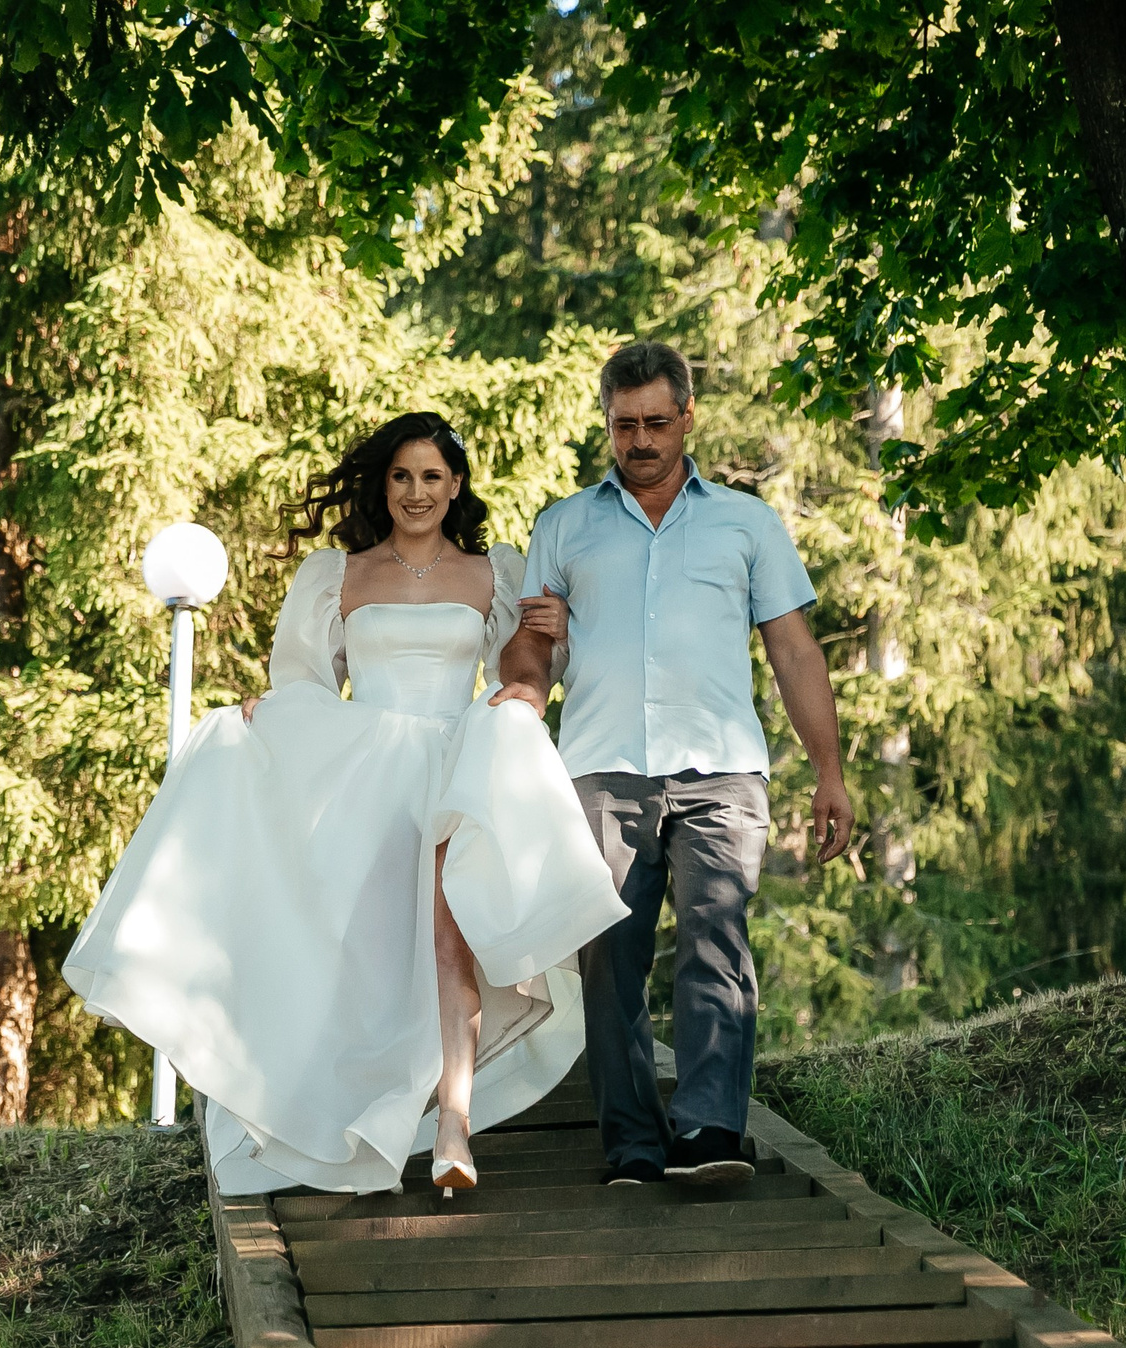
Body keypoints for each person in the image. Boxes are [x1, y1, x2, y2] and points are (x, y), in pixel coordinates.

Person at [64, 413, 627, 1196]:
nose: (417, 492)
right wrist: (269, 720)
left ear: (456, 486)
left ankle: (453, 1127)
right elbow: (305, 681)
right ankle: (351, 1105)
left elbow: (528, 664)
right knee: (359, 956)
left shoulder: (494, 571)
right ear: (384, 486)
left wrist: (554, 634)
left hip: (456, 762)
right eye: (402, 477)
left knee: (450, 945)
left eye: (433, 477)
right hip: (366, 774)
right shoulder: (339, 574)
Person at [495, 343, 854, 1186]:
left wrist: (829, 772)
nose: (642, 441)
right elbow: (529, 663)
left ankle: (710, 1133)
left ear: (689, 416)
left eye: (658, 422)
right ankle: (633, 1143)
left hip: (724, 772)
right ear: (608, 425)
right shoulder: (563, 525)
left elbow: (797, 655)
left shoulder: (747, 523)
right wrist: (529, 648)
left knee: (715, 943)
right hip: (599, 771)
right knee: (609, 963)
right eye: (626, 426)